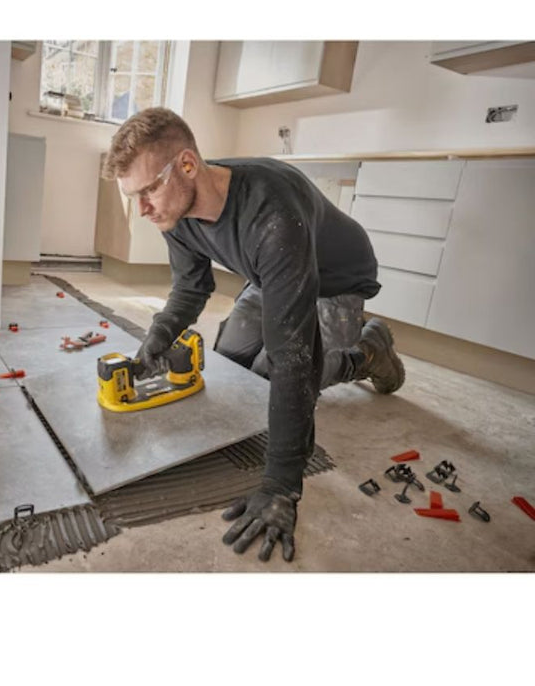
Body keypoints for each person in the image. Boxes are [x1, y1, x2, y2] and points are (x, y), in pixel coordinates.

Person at [101, 107, 405, 564]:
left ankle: (369, 352)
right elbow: (190, 286)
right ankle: (354, 348)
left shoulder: (272, 213)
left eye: (147, 191)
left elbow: (293, 360)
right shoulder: (175, 210)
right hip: (272, 273)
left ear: (186, 165)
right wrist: (155, 342)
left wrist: (281, 485)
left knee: (279, 373)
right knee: (232, 366)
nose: (142, 209)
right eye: (133, 196)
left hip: (336, 279)